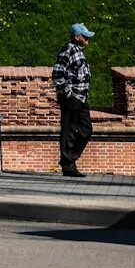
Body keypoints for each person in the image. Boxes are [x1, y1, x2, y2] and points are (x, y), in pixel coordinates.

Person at [52, 21, 95, 178]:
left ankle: (69, 159)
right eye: (85, 36)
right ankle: (68, 165)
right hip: (72, 97)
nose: (87, 38)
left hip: (81, 98)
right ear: (77, 37)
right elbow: (57, 73)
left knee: (86, 129)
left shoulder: (78, 50)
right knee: (68, 130)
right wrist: (66, 93)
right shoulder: (68, 50)